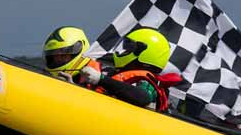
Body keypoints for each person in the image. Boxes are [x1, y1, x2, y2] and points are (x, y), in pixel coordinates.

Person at [42, 26, 182, 111]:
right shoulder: (116, 75)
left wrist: (100, 79)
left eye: (128, 48)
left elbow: (143, 97)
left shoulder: (148, 83)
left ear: (144, 53)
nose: (122, 52)